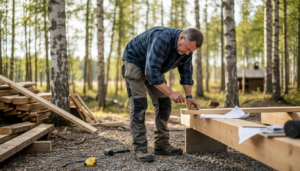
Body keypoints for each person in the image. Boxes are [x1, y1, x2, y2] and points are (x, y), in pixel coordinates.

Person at [122, 26, 203, 162]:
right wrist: (171, 92)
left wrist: (189, 97)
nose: (188, 53)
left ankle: (161, 144)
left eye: (191, 51)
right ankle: (140, 148)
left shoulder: (187, 51)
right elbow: (151, 72)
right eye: (188, 48)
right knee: (139, 105)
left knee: (164, 103)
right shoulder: (162, 38)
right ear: (181, 37)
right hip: (134, 63)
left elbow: (186, 74)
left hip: (153, 68)